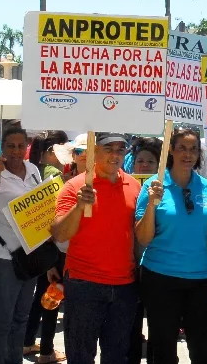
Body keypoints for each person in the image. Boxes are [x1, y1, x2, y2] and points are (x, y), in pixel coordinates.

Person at [136, 127, 207, 364]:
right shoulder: (152, 186)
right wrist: (151, 204)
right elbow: (143, 238)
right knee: (163, 349)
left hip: (201, 282)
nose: (188, 154)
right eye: (182, 148)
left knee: (203, 350)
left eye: (193, 149)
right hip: (160, 278)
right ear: (171, 150)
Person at [51, 132, 142, 364]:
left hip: (124, 286)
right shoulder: (75, 187)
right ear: (95, 151)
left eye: (120, 149)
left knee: (116, 356)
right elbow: (59, 234)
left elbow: (140, 235)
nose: (114, 154)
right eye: (108, 148)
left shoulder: (133, 186)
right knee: (80, 355)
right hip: (84, 284)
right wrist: (80, 206)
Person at [0, 127, 42, 364]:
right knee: (2, 318)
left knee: (21, 316)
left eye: (20, 146)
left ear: (27, 147)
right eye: (10, 146)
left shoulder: (33, 170)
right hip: (1, 254)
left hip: (31, 253)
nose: (16, 151)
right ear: (2, 147)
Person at [24, 130, 69, 363]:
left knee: (40, 292)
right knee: (53, 293)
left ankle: (28, 341)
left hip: (35, 241)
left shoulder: (32, 170)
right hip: (52, 244)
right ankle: (46, 351)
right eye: (65, 146)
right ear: (52, 150)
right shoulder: (55, 175)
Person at [129, 136, 163, 364]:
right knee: (131, 321)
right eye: (139, 160)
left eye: (150, 161)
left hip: (155, 265)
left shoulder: (166, 191)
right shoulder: (126, 187)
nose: (144, 165)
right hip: (129, 264)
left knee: (158, 324)